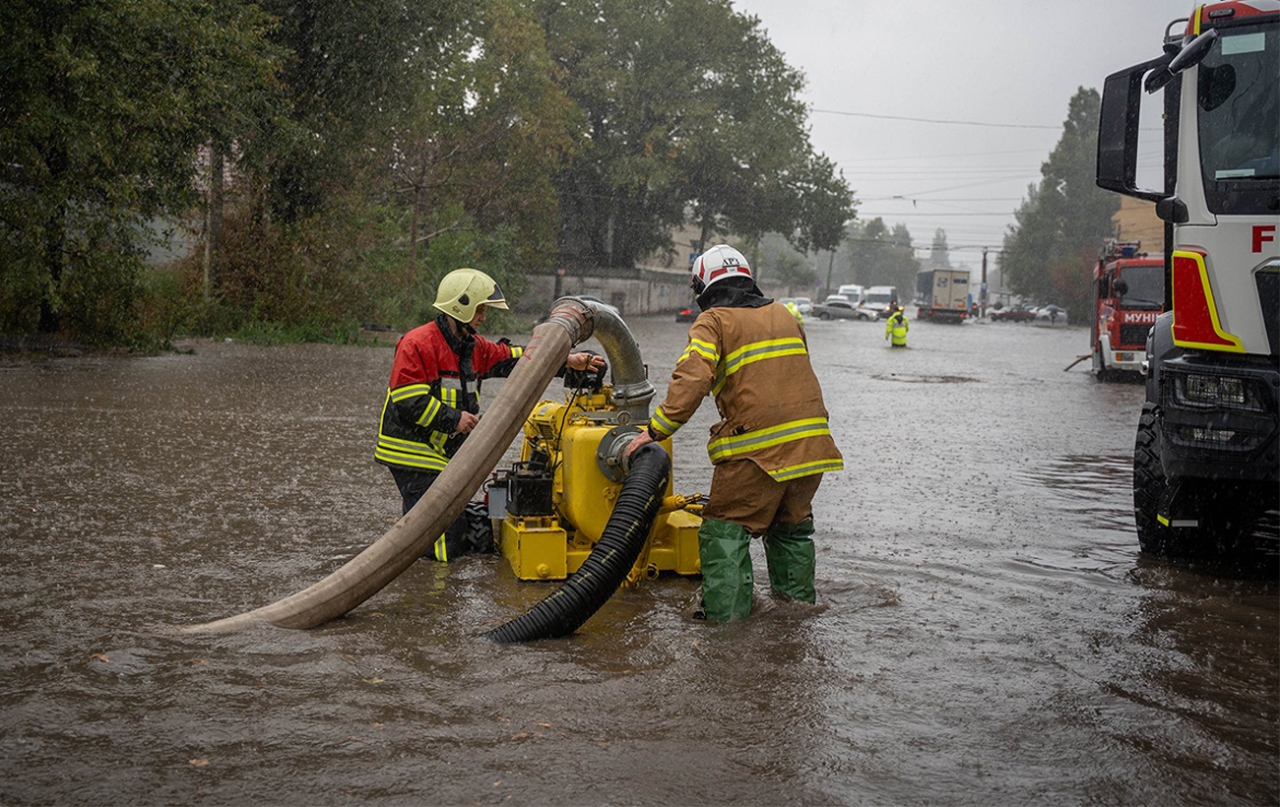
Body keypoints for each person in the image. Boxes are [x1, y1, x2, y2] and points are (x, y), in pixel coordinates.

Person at [625, 244, 843, 622]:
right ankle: (797, 619)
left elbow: (693, 379)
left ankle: (727, 631)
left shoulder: (713, 321)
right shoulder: (785, 315)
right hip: (812, 447)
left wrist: (654, 430)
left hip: (757, 453)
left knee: (723, 531)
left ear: (704, 286)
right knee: (791, 531)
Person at [376, 267, 605, 561]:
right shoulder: (417, 343)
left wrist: (566, 360)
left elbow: (518, 360)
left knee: (437, 525)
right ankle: (434, 585)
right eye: (480, 309)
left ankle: (422, 568)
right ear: (461, 306)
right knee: (442, 533)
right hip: (411, 452)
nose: (483, 317)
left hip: (440, 453)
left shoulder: (472, 347)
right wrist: (455, 419)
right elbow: (408, 400)